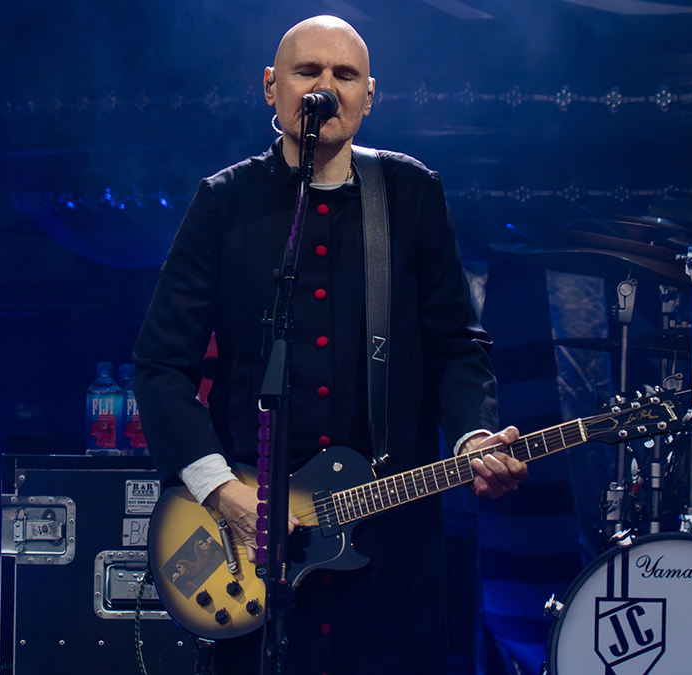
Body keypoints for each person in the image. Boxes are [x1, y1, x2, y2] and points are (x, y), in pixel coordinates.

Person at [132, 15, 527, 675]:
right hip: (254, 551)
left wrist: (472, 437)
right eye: (306, 71)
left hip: (390, 556)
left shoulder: (410, 195)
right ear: (271, 87)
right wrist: (221, 490)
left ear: (369, 96)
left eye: (344, 75)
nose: (325, 88)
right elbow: (161, 364)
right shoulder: (223, 203)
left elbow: (458, 344)